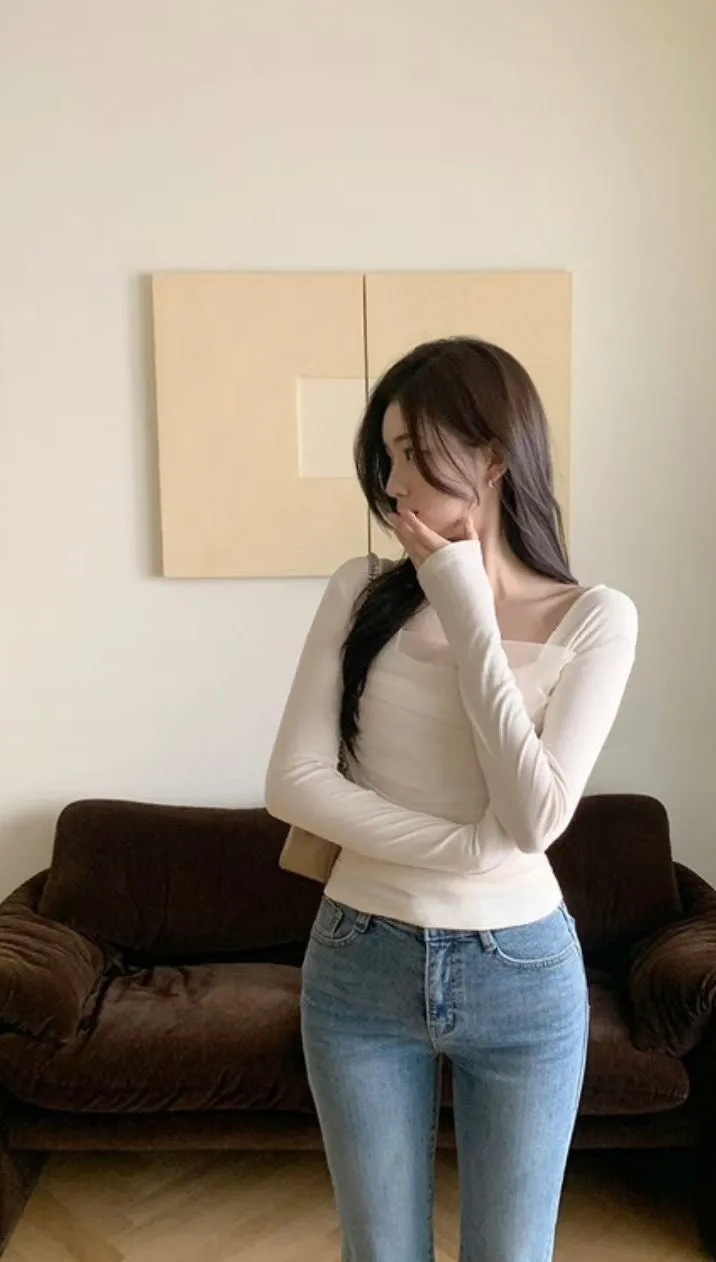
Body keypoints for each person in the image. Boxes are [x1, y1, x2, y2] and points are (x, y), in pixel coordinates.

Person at [265, 337, 638, 1262]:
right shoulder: (360, 590)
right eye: (385, 454)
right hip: (359, 961)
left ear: (493, 457)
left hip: (523, 975)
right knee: (380, 1252)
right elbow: (294, 783)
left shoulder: (597, 618)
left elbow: (535, 817)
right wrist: (463, 849)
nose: (391, 483)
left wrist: (468, 607)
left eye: (411, 452)